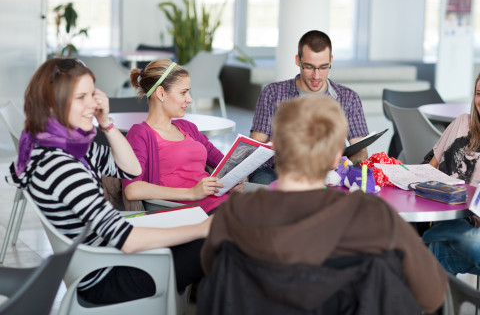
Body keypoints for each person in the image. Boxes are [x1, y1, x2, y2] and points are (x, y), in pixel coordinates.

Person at [200, 95, 446, 314]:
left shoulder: (236, 211)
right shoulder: (374, 216)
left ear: (275, 148)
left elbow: (216, 274)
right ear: (336, 157)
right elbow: (432, 295)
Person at [6, 58, 211, 305]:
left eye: (92, 94)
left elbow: (131, 169)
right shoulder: (61, 166)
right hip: (104, 274)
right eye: (81, 97)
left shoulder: (69, 148)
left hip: (107, 258)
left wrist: (106, 123)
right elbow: (128, 240)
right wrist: (204, 228)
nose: (93, 104)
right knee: (215, 241)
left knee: (213, 242)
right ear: (53, 104)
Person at [249, 30, 370, 184]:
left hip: (329, 172)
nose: (316, 76)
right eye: (309, 67)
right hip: (278, 170)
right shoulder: (272, 93)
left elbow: (361, 150)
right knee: (264, 181)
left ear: (331, 60)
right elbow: (255, 146)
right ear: (297, 60)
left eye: (323, 67)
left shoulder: (348, 98)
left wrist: (343, 165)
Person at [122, 59, 242, 215]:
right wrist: (192, 193)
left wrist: (234, 178)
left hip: (223, 204)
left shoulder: (187, 127)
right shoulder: (141, 134)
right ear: (161, 93)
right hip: (192, 212)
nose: (190, 99)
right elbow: (132, 189)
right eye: (183, 92)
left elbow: (223, 163)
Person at [422, 73, 480, 275]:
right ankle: (437, 236)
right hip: (449, 214)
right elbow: (430, 167)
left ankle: (432, 236)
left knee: (473, 242)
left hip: (476, 227)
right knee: (439, 251)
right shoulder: (463, 122)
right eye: (479, 94)